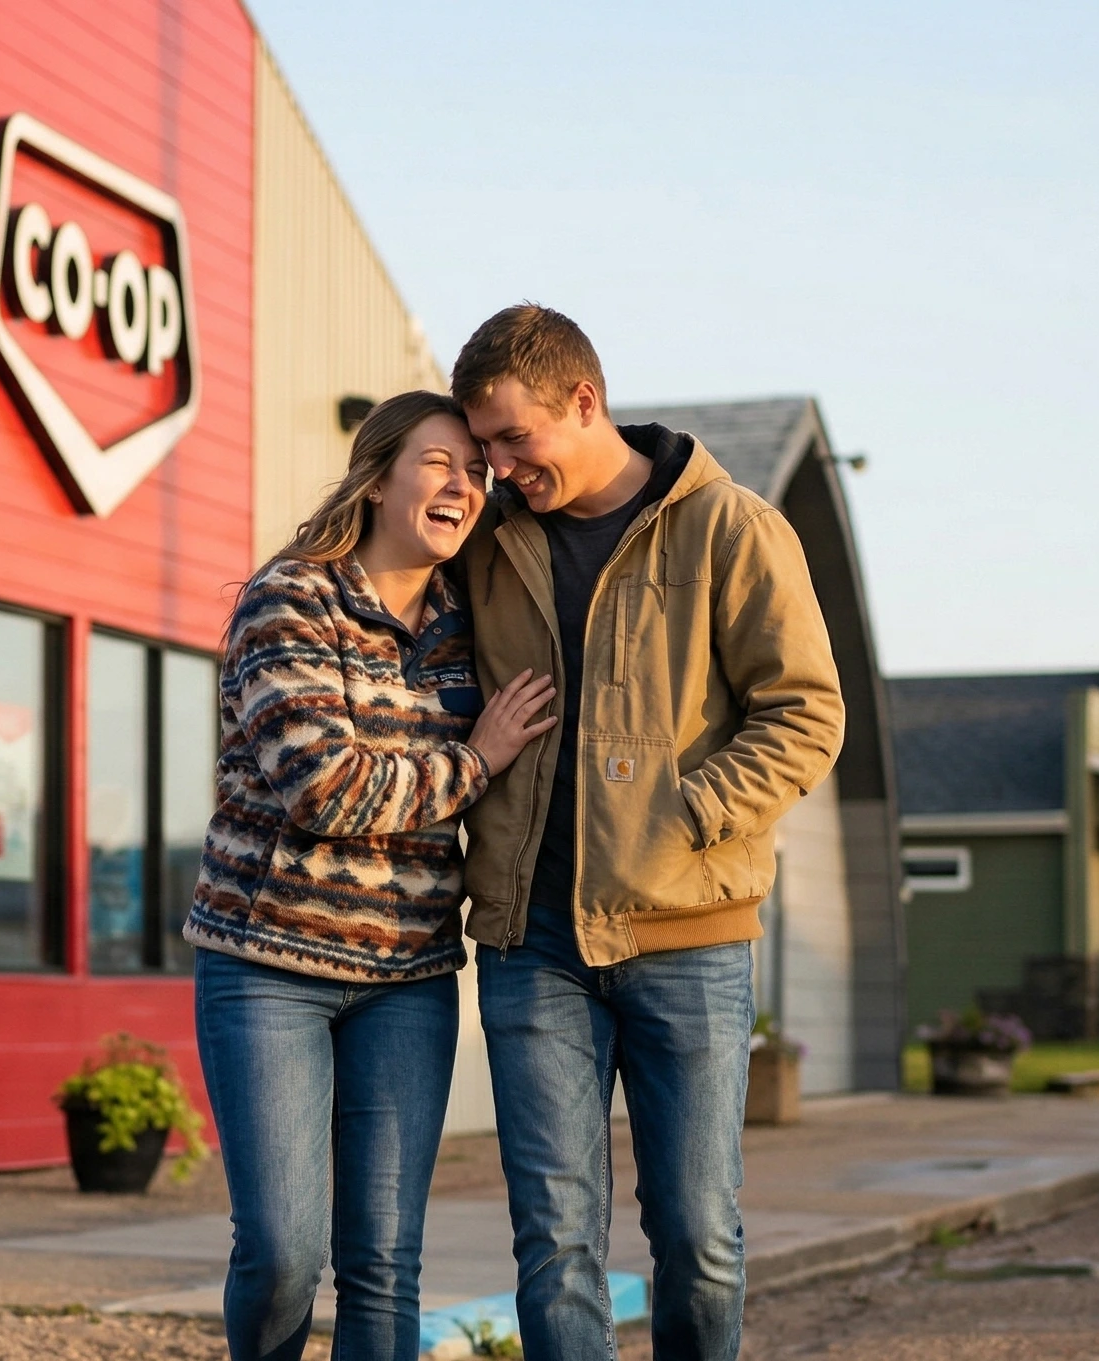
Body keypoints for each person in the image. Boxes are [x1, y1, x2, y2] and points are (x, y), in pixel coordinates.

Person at [451, 305, 846, 1359]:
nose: (494, 465)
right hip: (529, 939)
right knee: (554, 1242)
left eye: (510, 438)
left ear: (584, 402)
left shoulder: (734, 528)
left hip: (690, 935)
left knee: (698, 1236)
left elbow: (806, 711)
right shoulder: (490, 543)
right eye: (480, 443)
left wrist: (687, 813)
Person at [186, 389, 558, 1361]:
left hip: (408, 978)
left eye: (476, 470)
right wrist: (474, 761)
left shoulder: (463, 628)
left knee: (385, 1259)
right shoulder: (288, 599)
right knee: (281, 1247)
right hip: (270, 969)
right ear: (378, 473)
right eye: (439, 461)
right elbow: (327, 787)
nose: (463, 482)